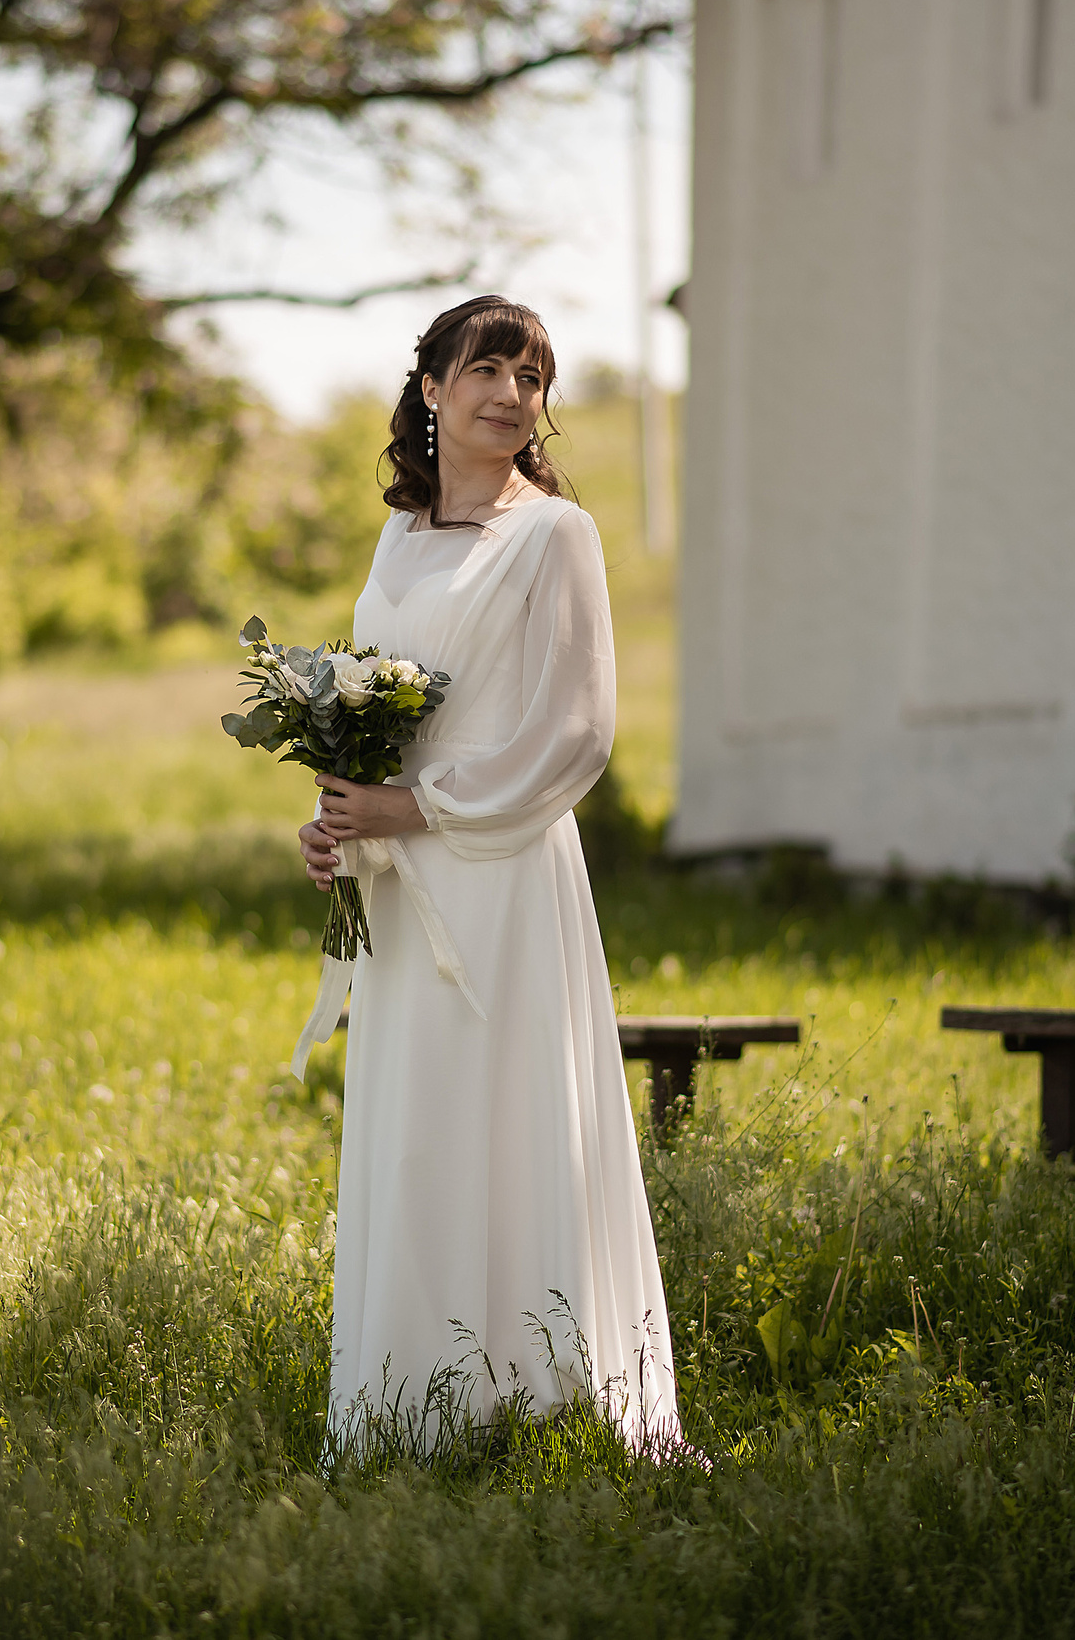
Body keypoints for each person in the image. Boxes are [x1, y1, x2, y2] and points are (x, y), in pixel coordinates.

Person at [296, 295, 681, 1454]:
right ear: (430, 389)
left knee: (510, 1117)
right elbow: (378, 707)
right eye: (487, 370)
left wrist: (418, 808)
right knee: (418, 1128)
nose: (512, 395)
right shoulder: (398, 537)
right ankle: (418, 1405)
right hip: (403, 887)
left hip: (503, 868)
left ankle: (540, 1391)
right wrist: (337, 818)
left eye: (531, 377)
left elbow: (576, 733)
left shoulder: (555, 535)